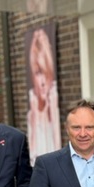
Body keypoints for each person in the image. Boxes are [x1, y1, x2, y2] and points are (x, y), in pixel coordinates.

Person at [27, 26, 60, 163]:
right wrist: (35, 115)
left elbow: (59, 150)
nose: (42, 81)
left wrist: (52, 110)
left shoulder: (54, 106)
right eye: (38, 73)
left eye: (46, 73)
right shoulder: (32, 113)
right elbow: (32, 155)